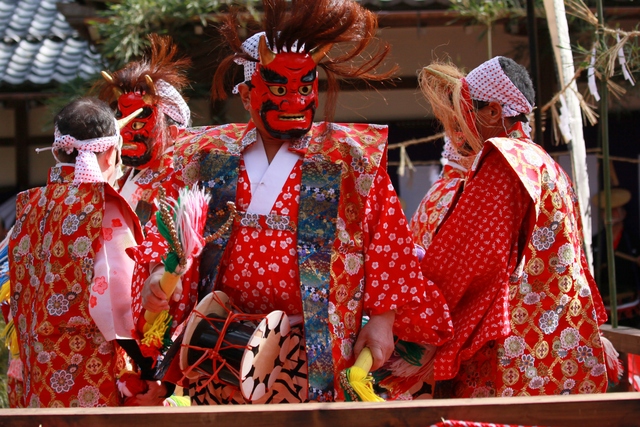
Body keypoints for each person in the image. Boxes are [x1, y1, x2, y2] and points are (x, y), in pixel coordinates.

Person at [133, 0, 453, 404]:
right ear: (247, 93)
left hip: (317, 345)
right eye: (279, 88)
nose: (293, 100)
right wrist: (158, 275)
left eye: (305, 87)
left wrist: (384, 321)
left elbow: (387, 240)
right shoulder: (205, 153)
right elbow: (172, 222)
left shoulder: (348, 156)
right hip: (222, 338)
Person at [417, 57, 609, 398]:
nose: (464, 124)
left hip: (510, 357)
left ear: (493, 112)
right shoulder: (547, 165)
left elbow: (467, 260)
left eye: (467, 111)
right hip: (560, 347)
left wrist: (413, 316)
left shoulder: (503, 159)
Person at [7, 98, 165, 407]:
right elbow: (117, 305)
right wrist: (150, 369)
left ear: (57, 150)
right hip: (89, 379)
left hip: (36, 379)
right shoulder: (100, 206)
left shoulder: (30, 205)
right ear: (110, 153)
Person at [95, 34, 191, 227]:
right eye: (121, 122)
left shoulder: (178, 181)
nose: (124, 133)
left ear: (173, 133)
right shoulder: (122, 176)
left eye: (137, 125)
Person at [592, 188, 640, 325]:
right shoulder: (596, 241)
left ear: (623, 213)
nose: (608, 213)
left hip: (631, 302)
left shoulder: (635, 239)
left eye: (614, 209)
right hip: (604, 303)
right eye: (605, 210)